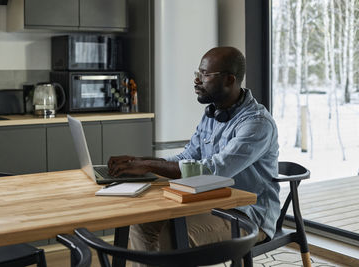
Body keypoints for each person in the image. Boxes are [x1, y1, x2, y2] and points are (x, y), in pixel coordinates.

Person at [108, 46, 280, 264]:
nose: (197, 80)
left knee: (169, 239)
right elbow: (187, 157)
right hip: (209, 203)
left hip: (247, 215)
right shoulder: (212, 113)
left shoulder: (257, 124)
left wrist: (149, 166)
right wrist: (139, 162)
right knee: (142, 222)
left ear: (229, 80)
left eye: (205, 75)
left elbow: (213, 171)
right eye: (197, 73)